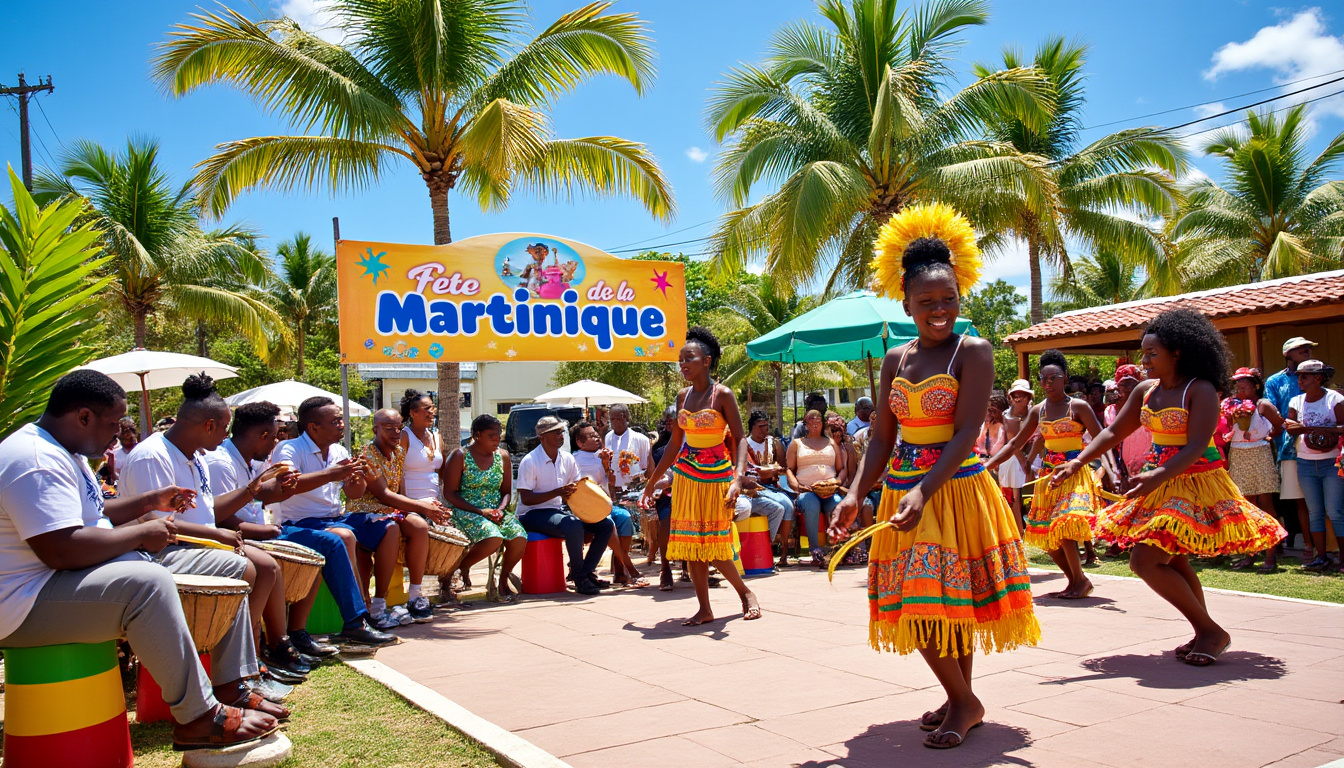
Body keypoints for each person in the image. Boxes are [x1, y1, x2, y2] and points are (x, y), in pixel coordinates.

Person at [831, 204, 1038, 750]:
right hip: (904, 491)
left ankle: (963, 701)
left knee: (938, 601)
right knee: (933, 600)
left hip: (955, 489)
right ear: (906, 303)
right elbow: (881, 439)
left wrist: (925, 490)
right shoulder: (895, 359)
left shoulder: (974, 351)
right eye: (927, 302)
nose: (940, 310)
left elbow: (967, 432)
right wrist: (854, 493)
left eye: (948, 299)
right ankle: (959, 698)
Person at [0, 370, 280, 750]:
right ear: (84, 417)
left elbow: (94, 514)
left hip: (59, 581)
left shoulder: (64, 450)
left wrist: (150, 501)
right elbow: (62, 550)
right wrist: (141, 533)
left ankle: (231, 683)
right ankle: (199, 717)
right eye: (114, 423)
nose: (120, 433)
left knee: (232, 567)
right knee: (147, 585)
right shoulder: (35, 459)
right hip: (24, 602)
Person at [1053, 308, 1286, 667]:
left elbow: (1196, 446)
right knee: (1173, 558)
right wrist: (1078, 461)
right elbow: (1113, 431)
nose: (1144, 361)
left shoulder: (1200, 389)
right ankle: (1204, 632)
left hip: (1196, 480)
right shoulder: (1145, 390)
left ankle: (1210, 631)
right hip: (1159, 479)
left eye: (1152, 353)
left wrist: (1158, 474)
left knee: (1143, 560)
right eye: (1143, 353)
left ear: (1177, 353)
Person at [119, 375, 303, 696]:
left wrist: (252, 490)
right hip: (158, 552)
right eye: (224, 428)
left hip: (195, 546)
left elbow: (208, 508)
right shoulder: (153, 456)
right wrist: (217, 536)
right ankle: (237, 676)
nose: (226, 435)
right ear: (209, 425)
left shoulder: (197, 456)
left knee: (265, 567)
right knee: (250, 568)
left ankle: (251, 662)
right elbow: (157, 527)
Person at [640, 326, 762, 625]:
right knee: (692, 544)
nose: (683, 364)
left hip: (717, 477)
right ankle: (704, 609)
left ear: (706, 361)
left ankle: (745, 593)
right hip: (686, 476)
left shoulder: (723, 394)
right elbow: (674, 445)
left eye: (689, 359)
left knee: (714, 543)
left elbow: (740, 438)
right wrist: (652, 482)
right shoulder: (682, 396)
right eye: (681, 360)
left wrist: (737, 478)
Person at [203, 401, 329, 681]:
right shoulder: (221, 463)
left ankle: (293, 635)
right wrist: (263, 532)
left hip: (253, 533)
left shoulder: (250, 461)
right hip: (231, 537)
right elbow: (220, 516)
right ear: (262, 435)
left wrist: (282, 490)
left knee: (312, 557)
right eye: (273, 437)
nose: (275, 443)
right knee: (268, 565)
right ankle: (265, 646)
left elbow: (255, 500)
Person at [270, 396, 397, 648]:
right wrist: (332, 474)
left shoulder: (339, 451)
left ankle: (377, 604)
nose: (342, 425)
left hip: (335, 517)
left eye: (341, 420)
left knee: (388, 525)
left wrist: (356, 479)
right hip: (299, 522)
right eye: (336, 421)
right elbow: (287, 486)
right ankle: (357, 621)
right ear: (313, 427)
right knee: (344, 536)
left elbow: (353, 494)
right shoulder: (289, 449)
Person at [987, 350, 1104, 599]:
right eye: (1044, 379)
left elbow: (1102, 438)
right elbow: (1014, 443)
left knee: (1063, 525)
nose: (1048, 383)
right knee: (1046, 534)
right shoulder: (1038, 411)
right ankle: (1076, 581)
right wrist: (988, 465)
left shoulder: (1078, 406)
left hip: (1074, 474)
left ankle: (1080, 580)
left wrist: (1099, 467)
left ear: (1065, 379)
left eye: (1054, 378)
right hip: (1049, 477)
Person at [350, 408, 452, 623]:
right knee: (392, 529)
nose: (396, 432)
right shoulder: (367, 455)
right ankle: (378, 605)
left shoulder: (397, 452)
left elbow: (399, 490)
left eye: (399, 427)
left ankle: (415, 595)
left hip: (390, 510)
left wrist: (422, 507)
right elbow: (383, 494)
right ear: (375, 430)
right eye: (389, 428)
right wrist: (422, 507)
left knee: (419, 526)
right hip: (365, 512)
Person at [515, 416, 613, 595]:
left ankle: (586, 573)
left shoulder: (567, 458)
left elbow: (577, 488)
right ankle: (580, 578)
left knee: (605, 525)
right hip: (531, 514)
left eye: (561, 432)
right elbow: (526, 499)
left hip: (556, 511)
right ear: (542, 437)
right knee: (573, 525)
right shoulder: (530, 461)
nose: (560, 436)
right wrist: (558, 492)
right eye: (555, 433)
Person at [443, 414, 527, 602]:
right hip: (466, 510)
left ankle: (503, 579)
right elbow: (449, 493)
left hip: (496, 511)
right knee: (493, 537)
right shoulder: (460, 456)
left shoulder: (502, 456)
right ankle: (460, 568)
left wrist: (500, 509)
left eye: (498, 435)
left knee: (519, 536)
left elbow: (506, 492)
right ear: (477, 435)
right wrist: (481, 512)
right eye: (491, 436)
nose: (497, 439)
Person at [1283, 358, 1344, 572]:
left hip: (1331, 462)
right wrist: (1290, 426)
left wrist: (1307, 429)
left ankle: (1342, 558)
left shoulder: (1334, 399)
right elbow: (1290, 426)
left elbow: (1343, 427)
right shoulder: (1296, 401)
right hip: (1305, 463)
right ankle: (1322, 557)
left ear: (1318, 378)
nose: (1300, 380)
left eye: (1304, 376)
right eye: (1299, 376)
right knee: (1315, 512)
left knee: (1335, 511)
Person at [1222, 368, 1285, 573]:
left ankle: (1271, 554)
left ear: (1255, 385)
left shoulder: (1263, 405)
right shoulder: (1231, 405)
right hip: (1238, 454)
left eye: (1244, 382)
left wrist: (1267, 437)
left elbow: (1279, 425)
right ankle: (1250, 553)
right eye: (1237, 382)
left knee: (1266, 504)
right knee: (1246, 506)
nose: (1239, 386)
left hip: (1259, 453)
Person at [571, 420, 648, 587]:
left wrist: (607, 467)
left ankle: (619, 571)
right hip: (584, 509)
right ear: (579, 442)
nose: (597, 438)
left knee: (624, 517)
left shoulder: (602, 457)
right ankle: (630, 569)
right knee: (609, 523)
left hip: (603, 505)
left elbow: (611, 491)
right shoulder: (573, 460)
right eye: (591, 436)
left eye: (597, 435)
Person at [1265, 337, 1317, 559]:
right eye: (1301, 349)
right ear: (1287, 354)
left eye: (1308, 348)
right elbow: (1270, 412)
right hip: (1288, 448)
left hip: (1320, 446)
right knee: (1298, 500)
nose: (1307, 350)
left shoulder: (1318, 375)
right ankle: (1307, 544)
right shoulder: (1275, 381)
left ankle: (1326, 545)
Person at [786, 409, 845, 569]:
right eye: (811, 422)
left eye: (818, 422)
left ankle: (837, 548)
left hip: (829, 490)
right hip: (807, 491)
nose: (814, 425)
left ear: (822, 424)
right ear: (805, 424)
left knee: (838, 504)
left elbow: (841, 469)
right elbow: (789, 469)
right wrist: (797, 486)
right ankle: (815, 550)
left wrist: (837, 481)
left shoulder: (831, 443)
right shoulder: (797, 444)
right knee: (812, 504)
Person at [738, 410, 795, 566]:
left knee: (788, 506)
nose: (765, 430)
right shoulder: (745, 445)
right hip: (753, 487)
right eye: (761, 426)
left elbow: (782, 466)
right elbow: (750, 471)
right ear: (752, 427)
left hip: (771, 486)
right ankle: (765, 547)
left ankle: (784, 552)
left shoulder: (774, 443)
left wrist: (776, 471)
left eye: (766, 426)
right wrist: (770, 470)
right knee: (781, 506)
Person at [648, 407, 681, 588]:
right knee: (667, 518)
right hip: (666, 496)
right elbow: (652, 475)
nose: (670, 424)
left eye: (673, 420)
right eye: (668, 421)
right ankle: (665, 567)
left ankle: (696, 566)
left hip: (689, 490)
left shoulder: (691, 443)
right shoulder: (658, 449)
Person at [999, 380, 1034, 532]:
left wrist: (1030, 459)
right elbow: (1012, 442)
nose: (1018, 399)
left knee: (1032, 496)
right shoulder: (1006, 416)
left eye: (1022, 395)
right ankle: (1018, 531)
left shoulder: (1035, 413)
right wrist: (1024, 462)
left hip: (1033, 455)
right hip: (1014, 457)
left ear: (1028, 397)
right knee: (1015, 497)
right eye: (1015, 396)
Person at [399, 390, 444, 503]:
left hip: (434, 501)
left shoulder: (436, 436)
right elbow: (398, 473)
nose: (432, 412)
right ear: (413, 413)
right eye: (427, 408)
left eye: (433, 407)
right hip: (412, 501)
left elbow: (442, 473)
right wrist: (405, 505)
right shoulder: (404, 436)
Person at [604, 403, 650, 494]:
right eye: (612, 419)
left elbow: (646, 468)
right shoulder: (608, 437)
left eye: (619, 418)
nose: (615, 422)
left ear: (627, 418)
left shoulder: (641, 439)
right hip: (613, 490)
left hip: (634, 491)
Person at [106, 416, 139, 482]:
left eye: (130, 430)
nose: (128, 434)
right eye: (123, 431)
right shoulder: (114, 455)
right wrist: (112, 471)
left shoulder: (142, 452)